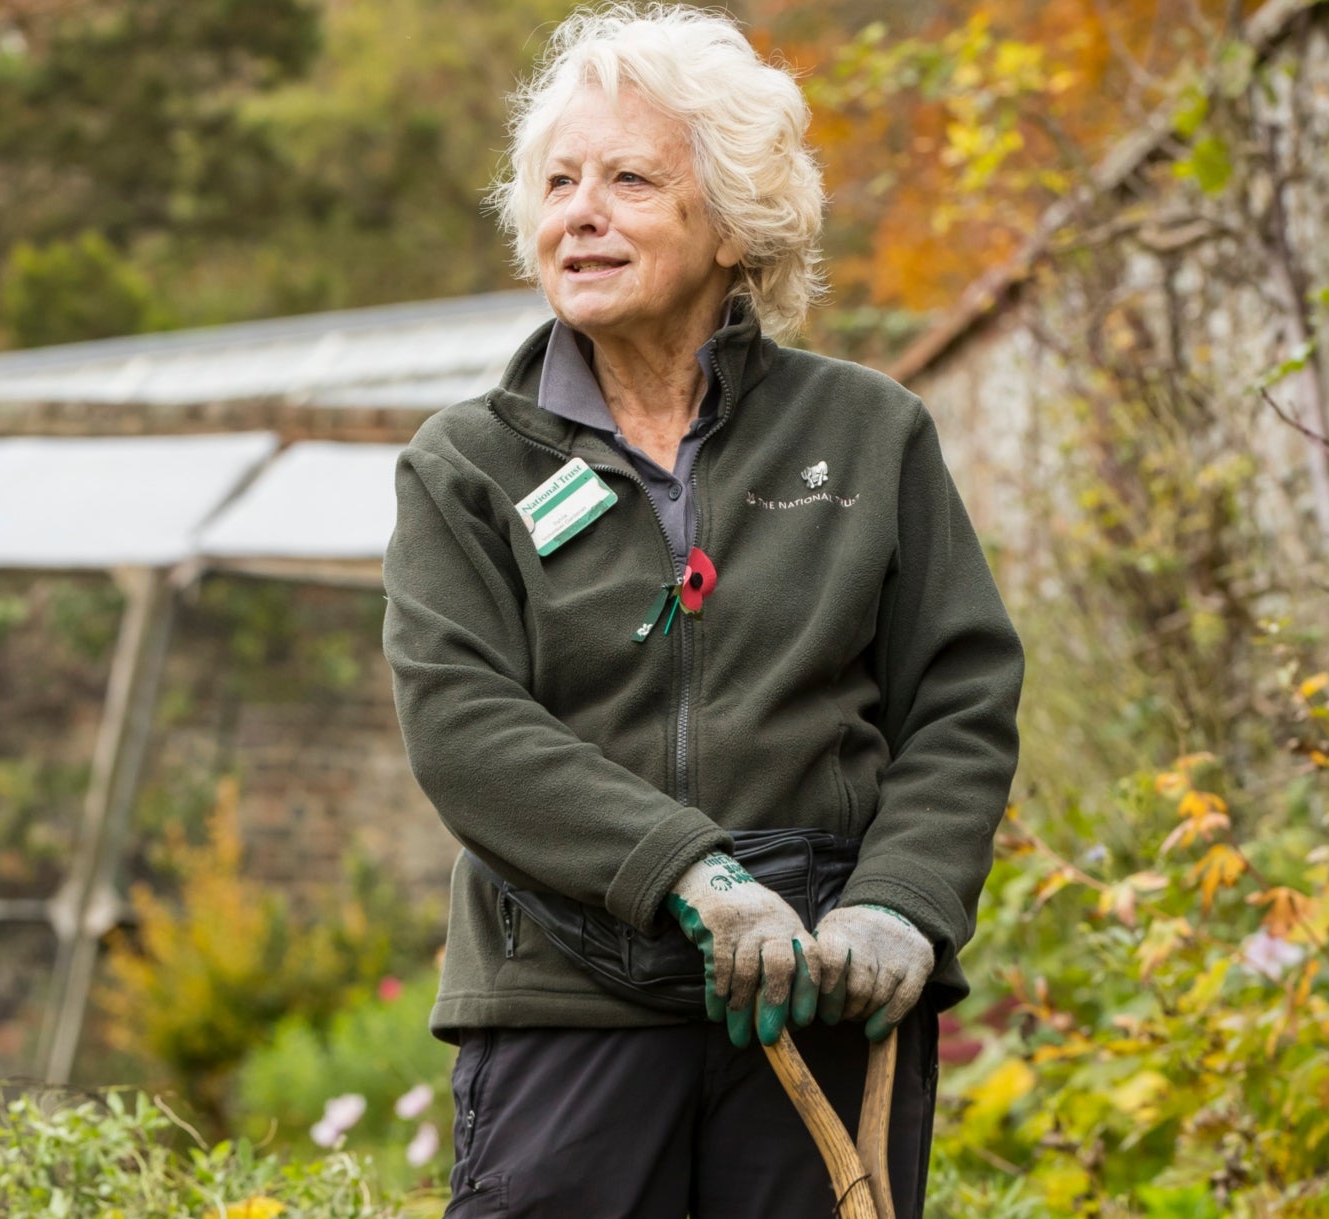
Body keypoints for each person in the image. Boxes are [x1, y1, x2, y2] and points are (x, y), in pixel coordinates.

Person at [382, 6, 1024, 1217]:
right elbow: (463, 723)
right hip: (568, 995)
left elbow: (962, 698)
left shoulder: (867, 432)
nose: (581, 211)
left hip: (823, 988)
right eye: (558, 182)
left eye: (630, 179)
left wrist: (904, 901)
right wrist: (693, 874)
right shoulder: (465, 465)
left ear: (735, 222)